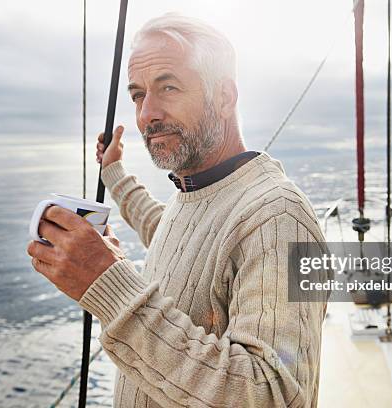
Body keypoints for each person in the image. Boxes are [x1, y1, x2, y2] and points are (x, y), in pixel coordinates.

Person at [27, 13, 327, 407]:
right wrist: (113, 174)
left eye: (167, 87)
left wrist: (107, 286)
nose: (146, 114)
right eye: (137, 95)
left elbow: (272, 395)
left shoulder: (279, 218)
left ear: (224, 97)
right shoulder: (193, 195)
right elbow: (165, 228)